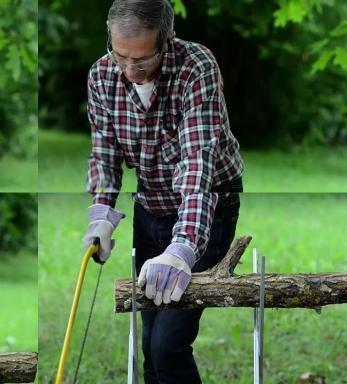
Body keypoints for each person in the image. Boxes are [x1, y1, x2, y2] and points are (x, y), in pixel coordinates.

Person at [81, 1, 244, 382]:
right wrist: (101, 213)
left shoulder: (196, 67)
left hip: (208, 206)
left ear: (166, 41)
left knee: (168, 345)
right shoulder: (102, 76)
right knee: (149, 345)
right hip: (150, 205)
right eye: (121, 56)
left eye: (143, 59)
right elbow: (104, 153)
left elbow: (197, 165)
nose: (131, 71)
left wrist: (182, 248)